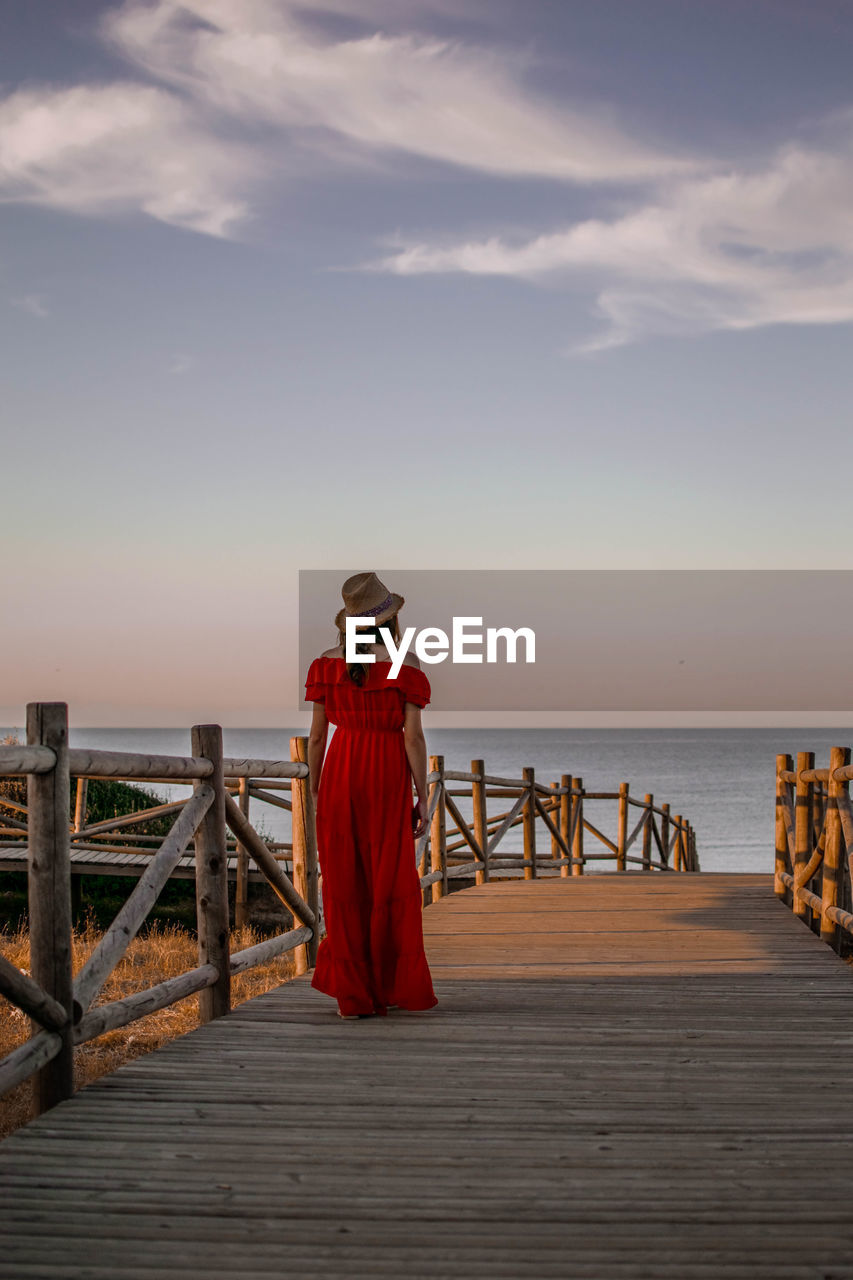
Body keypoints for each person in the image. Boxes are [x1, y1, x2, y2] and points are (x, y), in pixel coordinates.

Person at [304, 572, 438, 1019]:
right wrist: (424, 795)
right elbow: (414, 740)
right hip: (385, 777)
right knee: (389, 880)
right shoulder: (407, 665)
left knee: (344, 881)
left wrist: (317, 789)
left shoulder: (326, 664)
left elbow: (317, 738)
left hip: (341, 771)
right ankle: (390, 985)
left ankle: (354, 997)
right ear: (391, 620)